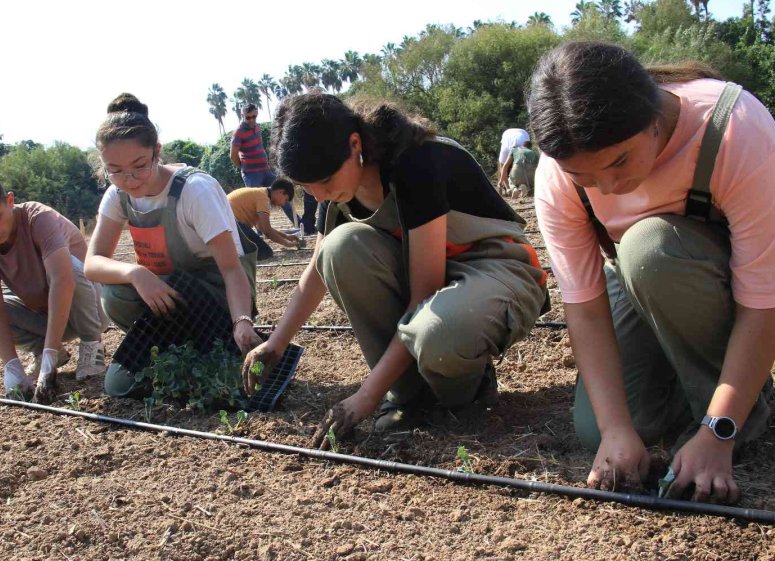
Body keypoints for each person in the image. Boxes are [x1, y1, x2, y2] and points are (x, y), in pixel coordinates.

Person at [529, 41, 775, 503]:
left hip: (768, 262)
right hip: (653, 278)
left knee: (651, 250)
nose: (609, 187)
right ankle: (706, 378)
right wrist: (615, 429)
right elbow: (584, 308)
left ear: (652, 118)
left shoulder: (733, 126)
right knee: (601, 427)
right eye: (585, 178)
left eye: (619, 161)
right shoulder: (557, 172)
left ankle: (732, 410)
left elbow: (763, 301)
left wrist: (718, 431)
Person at [244, 93, 548, 448]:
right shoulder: (341, 191)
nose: (319, 194)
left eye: (324, 180)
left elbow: (423, 294)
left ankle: (466, 391)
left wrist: (366, 397)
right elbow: (316, 269)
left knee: (437, 333)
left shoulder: (415, 162)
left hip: (496, 269)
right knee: (340, 248)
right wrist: (275, 344)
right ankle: (409, 395)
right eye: (306, 186)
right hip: (437, 284)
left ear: (354, 143)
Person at [84, 93, 262, 398]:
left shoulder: (194, 191)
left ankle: (208, 343)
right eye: (114, 170)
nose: (129, 179)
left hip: (214, 293)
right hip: (170, 291)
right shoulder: (118, 196)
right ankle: (176, 349)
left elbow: (232, 269)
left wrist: (242, 321)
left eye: (139, 166)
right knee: (114, 293)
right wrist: (136, 274)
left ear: (157, 152)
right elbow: (93, 262)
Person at [0, 170, 108, 402]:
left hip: (89, 310)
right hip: (45, 316)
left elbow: (63, 280)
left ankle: (91, 346)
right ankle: (44, 349)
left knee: (71, 267)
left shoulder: (38, 218)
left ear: (10, 200)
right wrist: (11, 366)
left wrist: (50, 351)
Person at [230, 103, 297, 227]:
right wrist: (244, 167)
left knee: (283, 194)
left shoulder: (257, 127)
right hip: (252, 174)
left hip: (265, 171)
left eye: (254, 116)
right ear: (242, 116)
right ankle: (261, 233)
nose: (251, 120)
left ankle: (298, 223)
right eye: (248, 117)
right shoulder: (238, 132)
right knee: (256, 204)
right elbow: (233, 155)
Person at [228, 178, 302, 260]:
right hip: (232, 224)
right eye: (285, 199)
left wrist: (286, 236)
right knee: (265, 253)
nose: (283, 203)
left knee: (260, 249)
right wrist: (287, 244)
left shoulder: (261, 193)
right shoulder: (263, 198)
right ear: (280, 192)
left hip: (228, 223)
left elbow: (261, 227)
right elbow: (267, 231)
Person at [496, 128, 530, 195]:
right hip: (523, 134)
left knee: (509, 175)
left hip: (519, 135)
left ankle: (513, 188)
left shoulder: (506, 149)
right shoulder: (528, 151)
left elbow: (503, 168)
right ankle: (527, 187)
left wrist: (506, 186)